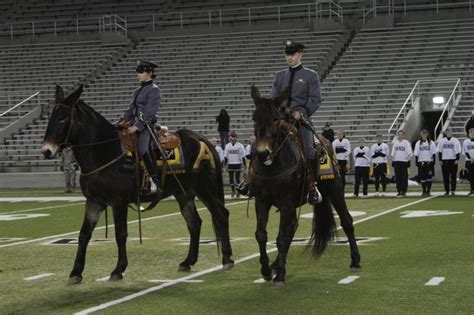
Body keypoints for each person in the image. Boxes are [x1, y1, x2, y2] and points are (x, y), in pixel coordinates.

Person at [270, 40, 322, 204]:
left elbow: (315, 99)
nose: (289, 57)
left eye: (292, 54)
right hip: (281, 119)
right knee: (261, 144)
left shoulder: (310, 75)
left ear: (300, 54)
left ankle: (312, 187)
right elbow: (274, 99)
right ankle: (251, 181)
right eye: (287, 54)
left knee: (309, 150)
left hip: (300, 120)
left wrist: (303, 112)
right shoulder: (279, 76)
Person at [123, 60, 162, 196]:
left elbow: (149, 112)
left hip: (147, 126)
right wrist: (120, 122)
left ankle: (154, 181)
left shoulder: (154, 90)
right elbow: (130, 110)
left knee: (143, 149)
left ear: (150, 73)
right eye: (138, 72)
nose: (138, 74)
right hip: (133, 124)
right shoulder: (137, 91)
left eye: (142, 71)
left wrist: (137, 127)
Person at [437, 128, 462, 196]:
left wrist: (457, 159)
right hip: (445, 161)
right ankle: (447, 190)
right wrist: (440, 160)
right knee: (445, 177)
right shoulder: (442, 141)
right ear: (446, 133)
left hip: (453, 160)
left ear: (452, 133)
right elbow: (440, 151)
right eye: (448, 132)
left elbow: (458, 151)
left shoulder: (455, 140)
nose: (449, 133)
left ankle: (453, 190)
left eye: (450, 132)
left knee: (453, 176)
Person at [414, 129, 437, 196]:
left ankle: (428, 191)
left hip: (429, 162)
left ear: (427, 135)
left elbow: (434, 153)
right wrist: (416, 162)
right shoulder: (418, 143)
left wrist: (433, 161)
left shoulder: (431, 143)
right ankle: (424, 190)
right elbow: (416, 154)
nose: (424, 135)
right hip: (421, 162)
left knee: (429, 177)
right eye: (422, 134)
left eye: (425, 134)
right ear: (421, 135)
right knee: (422, 178)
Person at [224, 132, 246, 198]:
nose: (231, 138)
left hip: (238, 163)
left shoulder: (240, 145)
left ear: (236, 138)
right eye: (230, 137)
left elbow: (243, 155)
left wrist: (244, 164)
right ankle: (233, 191)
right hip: (230, 163)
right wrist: (225, 165)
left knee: (237, 178)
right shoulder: (227, 145)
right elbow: (225, 156)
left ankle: (238, 191)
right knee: (231, 178)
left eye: (233, 137)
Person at [391, 130, 412, 197]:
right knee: (398, 177)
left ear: (404, 135)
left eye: (401, 134)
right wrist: (393, 160)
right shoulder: (395, 143)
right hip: (397, 161)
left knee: (404, 177)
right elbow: (393, 153)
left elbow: (409, 153)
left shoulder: (406, 143)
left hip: (404, 162)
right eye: (399, 134)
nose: (400, 136)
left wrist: (408, 161)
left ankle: (404, 190)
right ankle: (399, 190)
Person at [462, 128, 474, 196]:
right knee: (470, 177)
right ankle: (472, 190)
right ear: (469, 134)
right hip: (469, 161)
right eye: (471, 133)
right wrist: (471, 159)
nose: (472, 134)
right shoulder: (466, 142)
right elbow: (466, 151)